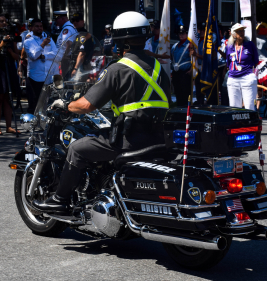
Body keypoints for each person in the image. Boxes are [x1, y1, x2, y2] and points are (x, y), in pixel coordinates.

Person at [33, 11, 170, 214]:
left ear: (120, 41)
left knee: (78, 148)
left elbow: (87, 105)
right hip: (157, 139)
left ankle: (60, 199)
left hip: (127, 140)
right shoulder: (159, 69)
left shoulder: (118, 69)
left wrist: (66, 105)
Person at [0, 14, 21, 135]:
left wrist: (11, 52)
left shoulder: (11, 37)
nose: (4, 23)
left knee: (8, 98)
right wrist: (2, 44)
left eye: (5, 21)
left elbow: (18, 56)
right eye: (1, 21)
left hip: (9, 68)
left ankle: (9, 126)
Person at [24, 18, 58, 114]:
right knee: (34, 102)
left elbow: (56, 53)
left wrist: (44, 56)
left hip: (48, 75)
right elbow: (34, 55)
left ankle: (43, 123)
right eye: (36, 26)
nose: (39, 28)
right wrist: (42, 45)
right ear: (31, 28)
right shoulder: (28, 41)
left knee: (47, 102)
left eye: (41, 26)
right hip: (35, 76)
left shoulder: (48, 39)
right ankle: (32, 124)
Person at [224, 23, 259, 110]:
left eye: (243, 31)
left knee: (249, 107)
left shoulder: (250, 45)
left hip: (247, 77)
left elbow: (256, 61)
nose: (242, 33)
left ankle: (250, 123)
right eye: (239, 31)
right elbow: (228, 64)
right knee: (234, 108)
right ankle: (237, 124)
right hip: (233, 78)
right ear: (233, 34)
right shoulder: (229, 46)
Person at [171, 25, 192, 106]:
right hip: (176, 73)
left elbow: (194, 59)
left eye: (183, 33)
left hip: (185, 74)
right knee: (178, 94)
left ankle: (186, 112)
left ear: (187, 34)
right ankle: (179, 110)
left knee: (185, 95)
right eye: (179, 33)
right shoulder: (175, 46)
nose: (181, 35)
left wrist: (191, 70)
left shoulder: (190, 45)